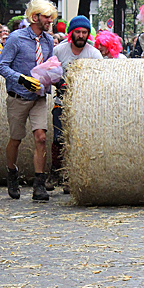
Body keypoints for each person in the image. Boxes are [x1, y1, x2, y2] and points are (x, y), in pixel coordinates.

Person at [0, 0, 57, 201]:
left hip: (39, 98)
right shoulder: (16, 38)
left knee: (41, 137)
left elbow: (47, 66)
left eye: (51, 17)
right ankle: (11, 172)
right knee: (16, 139)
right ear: (34, 17)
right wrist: (22, 79)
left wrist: (54, 76)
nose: (50, 21)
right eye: (47, 17)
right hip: (18, 97)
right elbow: (2, 66)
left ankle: (38, 185)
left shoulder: (49, 41)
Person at [48, 16, 103, 191]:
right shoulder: (59, 51)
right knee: (58, 138)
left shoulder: (94, 54)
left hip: (84, 106)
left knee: (78, 140)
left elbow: (102, 78)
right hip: (61, 102)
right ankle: (55, 171)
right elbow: (49, 73)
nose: (81, 35)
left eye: (84, 32)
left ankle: (70, 177)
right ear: (71, 33)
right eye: (77, 32)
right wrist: (58, 82)